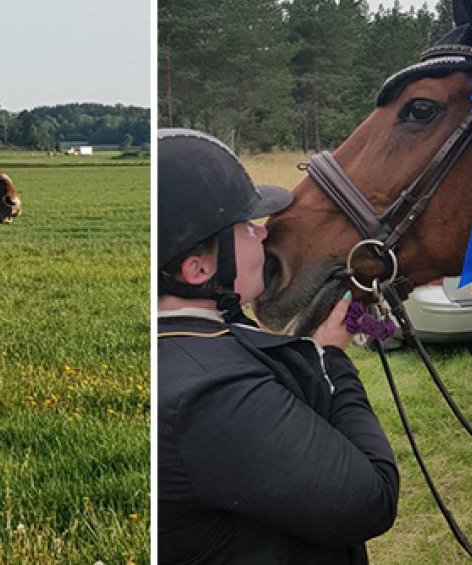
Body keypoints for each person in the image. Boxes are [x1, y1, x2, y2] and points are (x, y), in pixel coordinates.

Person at [157, 128, 400, 564]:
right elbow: (371, 499)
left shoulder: (195, 342)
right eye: (246, 227)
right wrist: (334, 361)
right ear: (198, 268)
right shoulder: (211, 396)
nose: (263, 234)